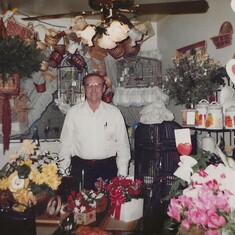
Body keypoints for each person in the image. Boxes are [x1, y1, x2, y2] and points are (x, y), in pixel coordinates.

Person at [59, 73, 131, 190]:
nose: (94, 90)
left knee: (107, 206)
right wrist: (64, 173)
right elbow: (66, 144)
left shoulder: (114, 113)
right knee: (80, 207)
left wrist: (122, 175)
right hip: (80, 170)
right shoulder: (73, 113)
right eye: (89, 86)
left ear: (103, 88)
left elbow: (122, 145)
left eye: (97, 85)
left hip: (107, 169)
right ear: (83, 89)